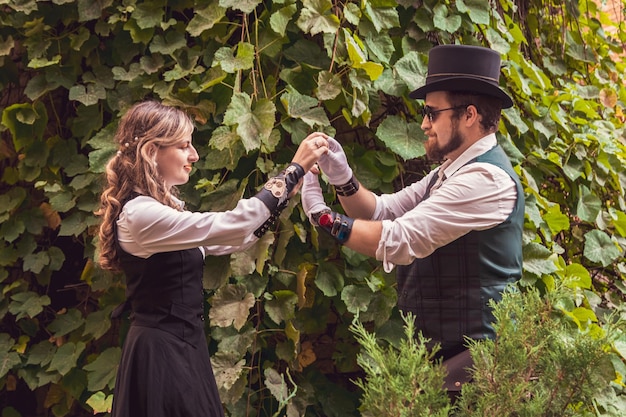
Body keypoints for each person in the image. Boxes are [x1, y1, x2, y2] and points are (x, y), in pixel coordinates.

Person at [301, 44, 524, 394]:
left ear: (469, 115)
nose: (423, 124)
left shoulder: (484, 181)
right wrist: (341, 177)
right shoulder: (450, 172)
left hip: (476, 369)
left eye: (432, 113)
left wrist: (323, 218)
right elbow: (380, 211)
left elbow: (398, 240)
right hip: (446, 361)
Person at [96, 100, 330, 417]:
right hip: (161, 355)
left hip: (182, 349)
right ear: (152, 151)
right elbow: (234, 225)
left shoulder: (161, 212)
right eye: (183, 146)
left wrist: (284, 194)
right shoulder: (141, 215)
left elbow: (235, 238)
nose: (193, 156)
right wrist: (292, 171)